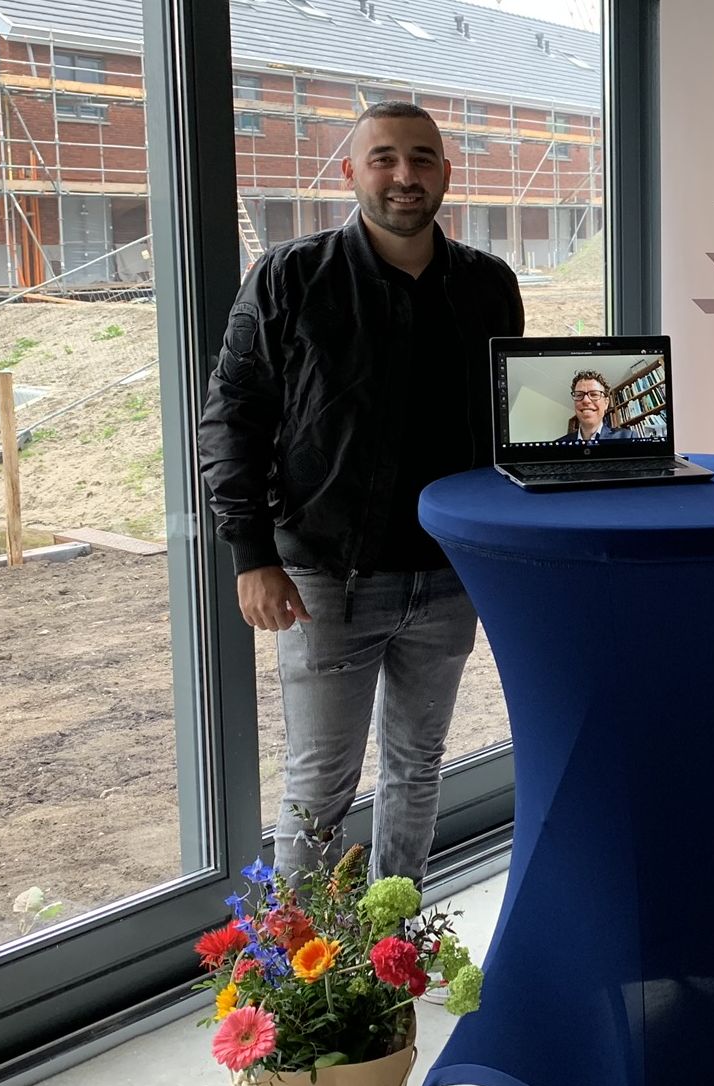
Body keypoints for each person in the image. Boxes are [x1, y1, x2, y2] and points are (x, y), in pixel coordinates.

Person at [197, 101, 525, 889]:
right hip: (325, 581)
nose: (404, 175)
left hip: (449, 578)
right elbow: (232, 418)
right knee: (320, 785)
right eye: (384, 158)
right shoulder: (289, 277)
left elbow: (510, 424)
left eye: (422, 158)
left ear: (446, 173)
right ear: (350, 172)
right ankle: (308, 953)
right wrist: (251, 554)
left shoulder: (488, 285)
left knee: (418, 766)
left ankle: (393, 932)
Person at [552, 371, 636, 442]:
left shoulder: (628, 438)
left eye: (594, 394)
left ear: (606, 403)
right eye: (579, 395)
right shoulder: (557, 445)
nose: (586, 400)